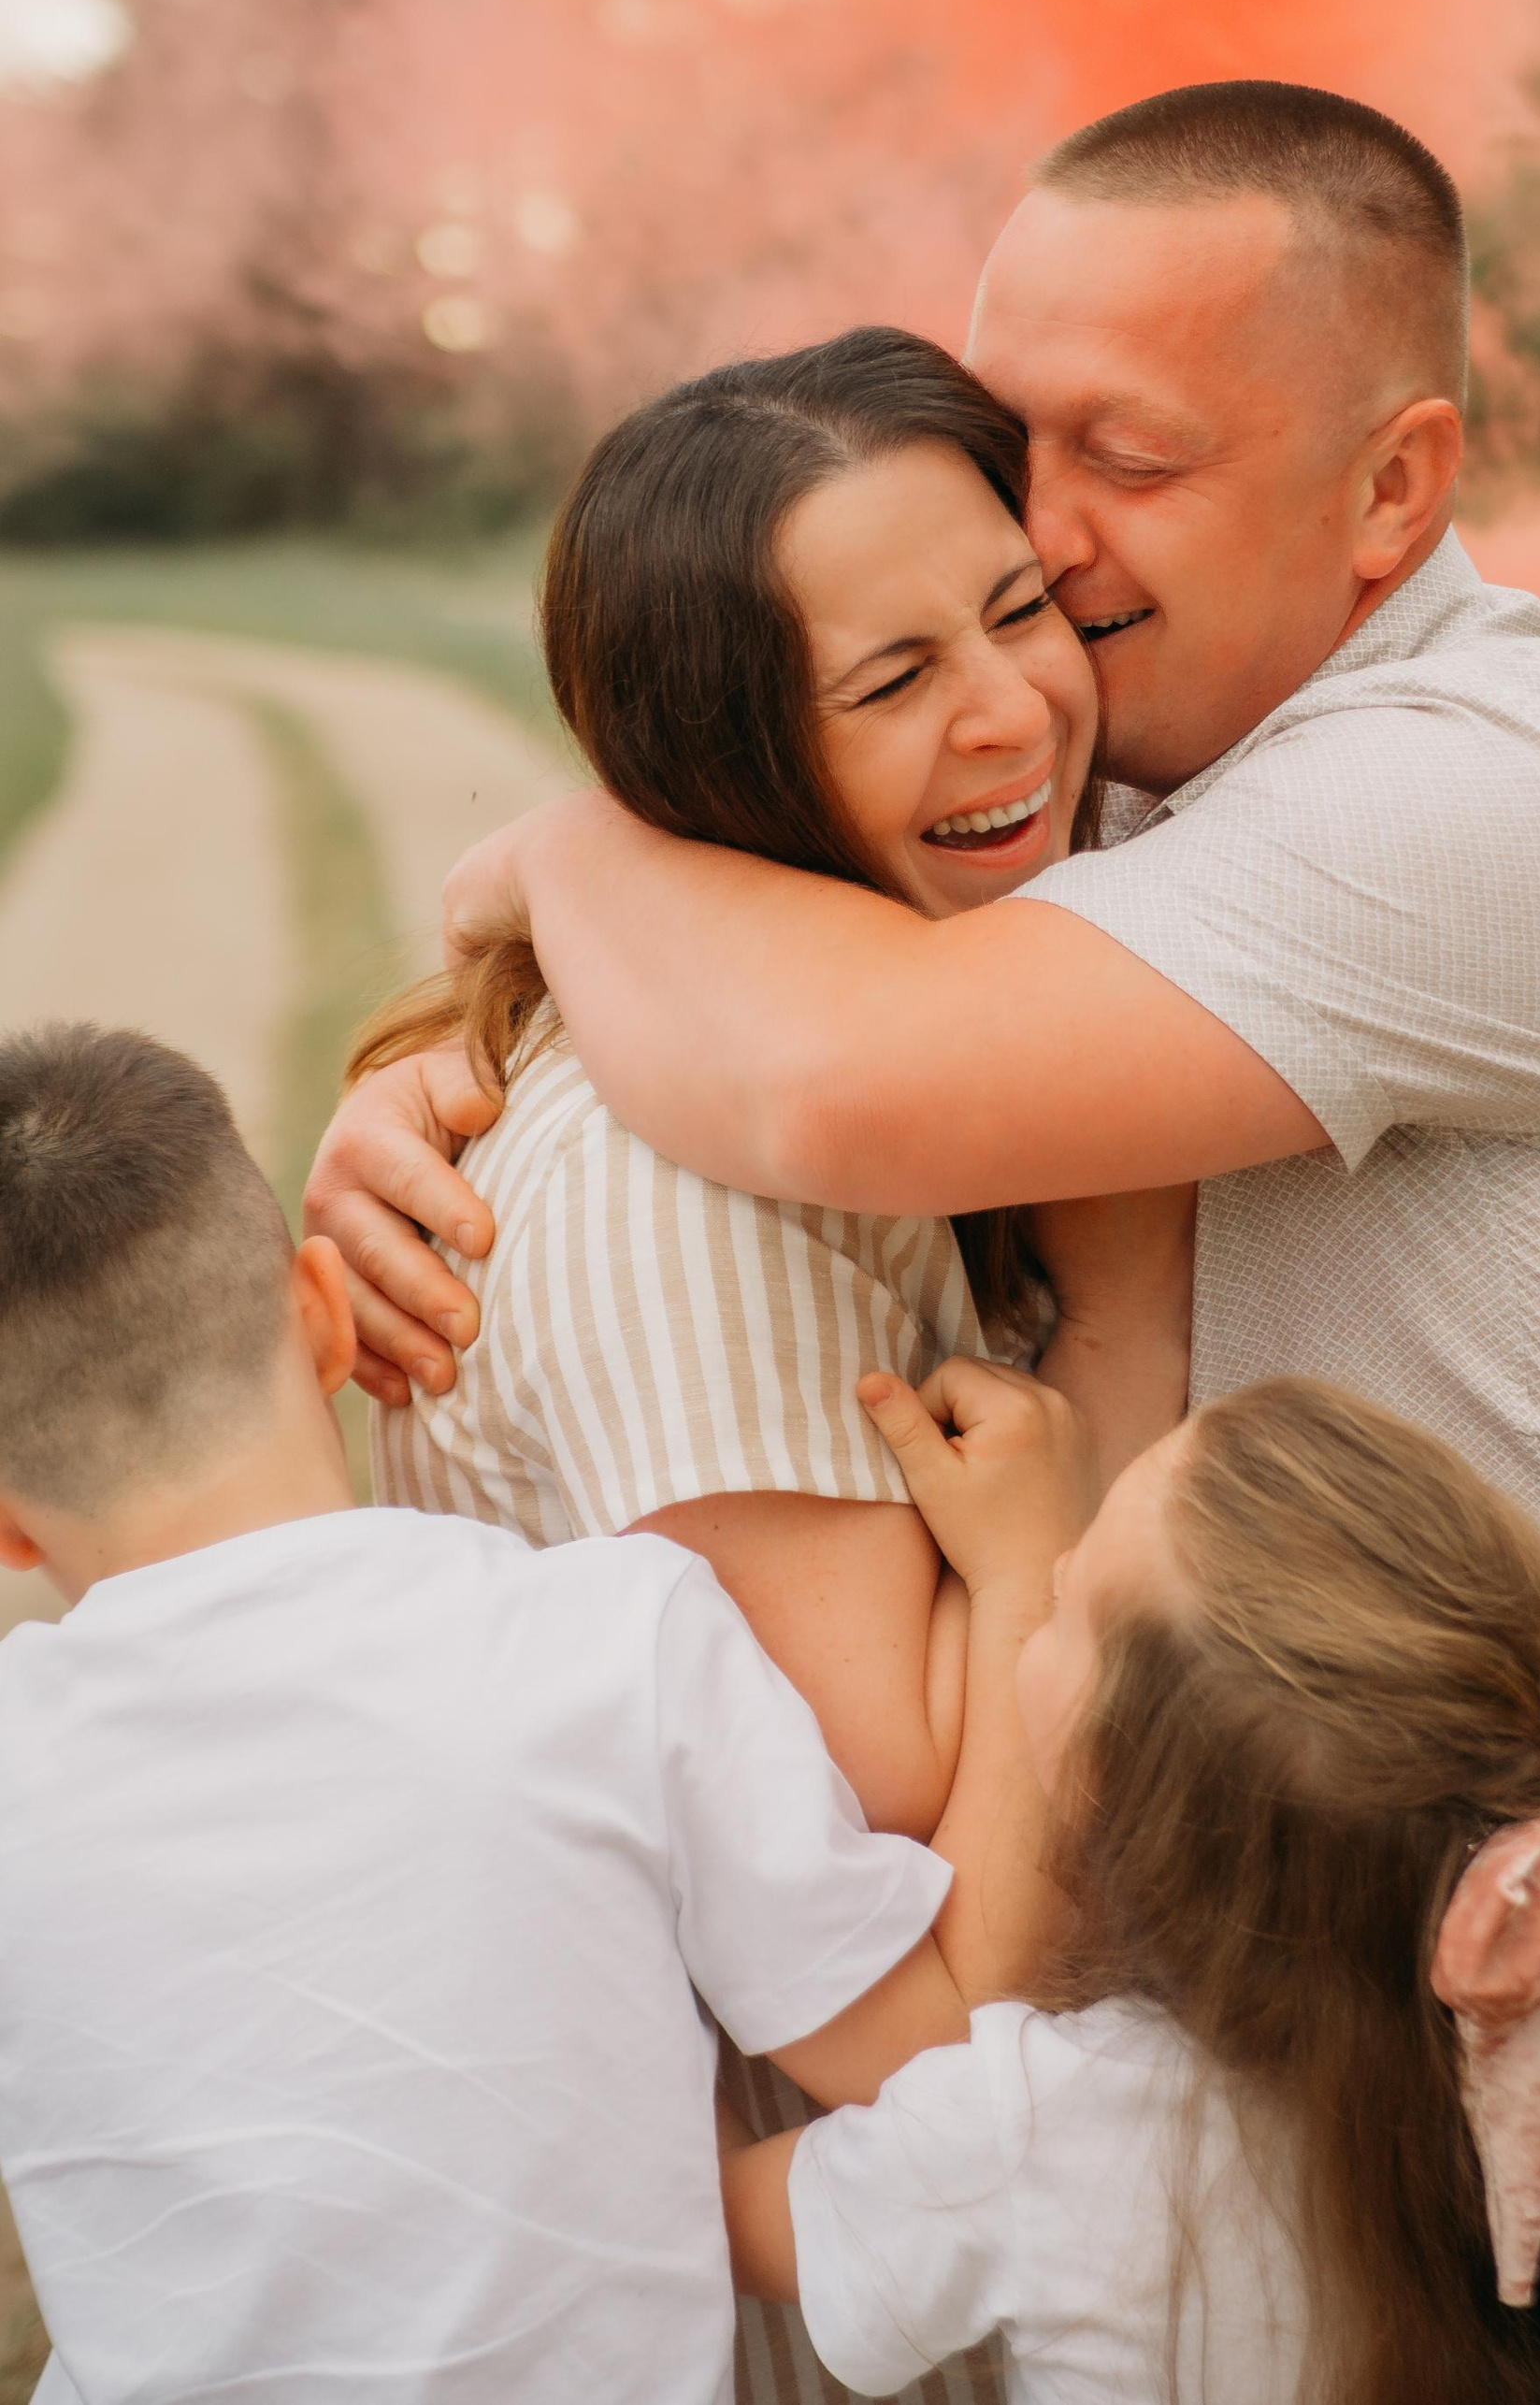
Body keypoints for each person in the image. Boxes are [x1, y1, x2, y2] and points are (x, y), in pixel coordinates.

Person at [313, 78, 1540, 2402]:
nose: (1035, 529)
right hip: (1330, 2088)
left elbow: (830, 1067)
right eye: (1006, 428)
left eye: (1119, 455)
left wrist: (583, 847)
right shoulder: (1143, 744)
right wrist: (423, 1078)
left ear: (1390, 487)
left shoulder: (1482, 793)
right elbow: (825, 866)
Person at [357, 326, 1167, 2405]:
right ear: (726, 771)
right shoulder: (694, 1190)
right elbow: (897, 1834)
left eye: (1019, 611)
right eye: (892, 683)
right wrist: (1030, 1562)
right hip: (782, 2271)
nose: (1015, 714)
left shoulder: (872, 1046)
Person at [0, 1022, 1078, 2405]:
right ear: (328, 1314)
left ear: (12, 1529)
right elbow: (939, 2060)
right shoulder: (617, 1639)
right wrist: (1033, 1568)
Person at [728, 1371, 1540, 2405]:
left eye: (1064, 1600)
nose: (1046, 1567)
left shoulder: (1040, 2125)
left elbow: (704, 2216)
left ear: (1123, 1793)